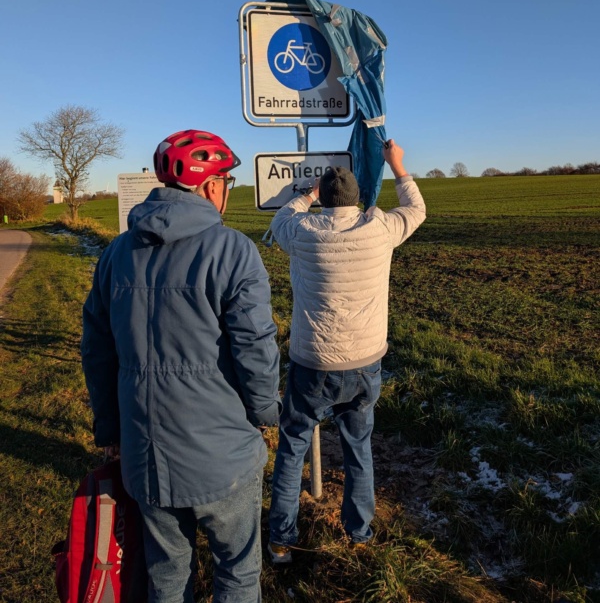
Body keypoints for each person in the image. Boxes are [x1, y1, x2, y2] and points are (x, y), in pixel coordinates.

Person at [81, 129, 281, 603]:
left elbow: (97, 347)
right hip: (223, 455)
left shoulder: (115, 253)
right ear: (212, 186)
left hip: (145, 454)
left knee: (166, 576)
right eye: (227, 181)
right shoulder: (233, 250)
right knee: (237, 572)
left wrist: (110, 429)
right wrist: (265, 413)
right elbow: (255, 346)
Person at [267, 139, 426, 563]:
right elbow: (417, 210)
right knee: (359, 448)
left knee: (291, 448)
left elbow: (285, 215)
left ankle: (281, 538)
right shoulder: (381, 230)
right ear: (357, 199)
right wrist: (397, 165)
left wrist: (307, 195)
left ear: (325, 200)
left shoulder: (301, 234)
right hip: (364, 364)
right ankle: (358, 533)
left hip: (311, 364)